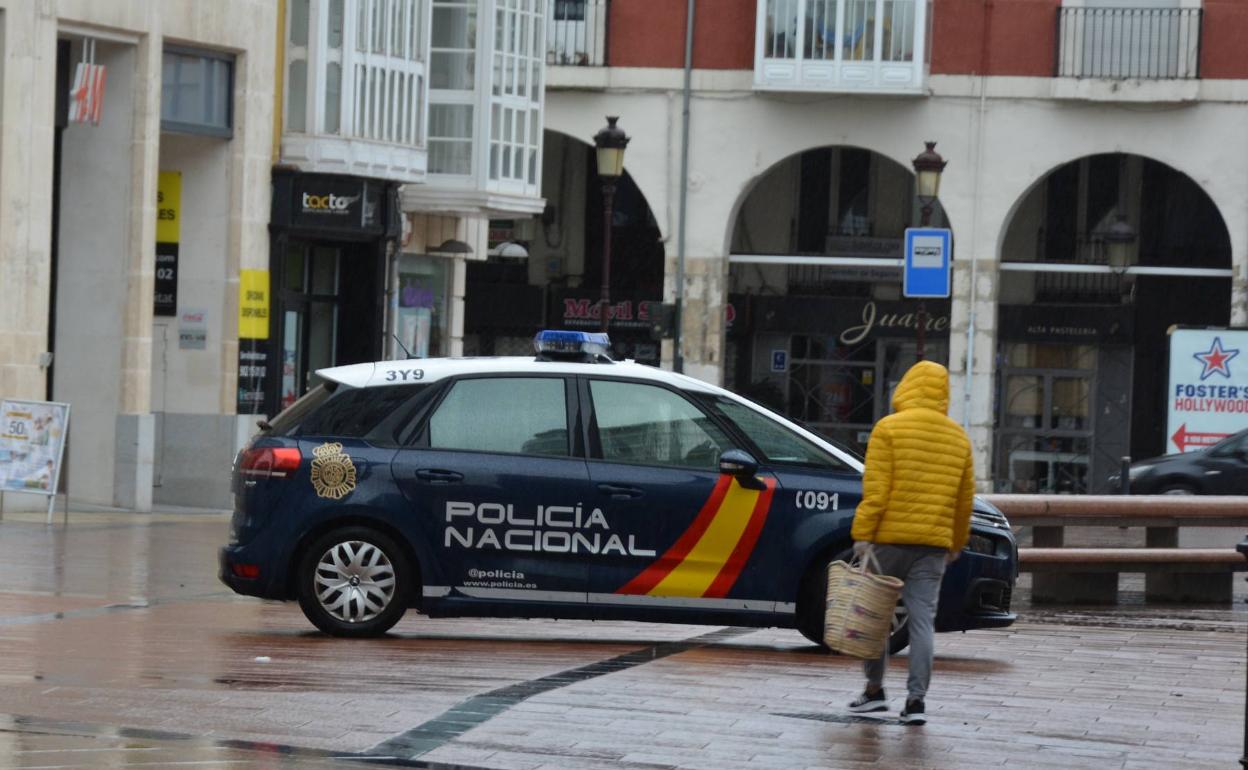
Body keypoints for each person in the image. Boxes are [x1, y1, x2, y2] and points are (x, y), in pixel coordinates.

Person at [846, 360, 974, 725]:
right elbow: (964, 501)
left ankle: (874, 692)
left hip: (888, 541)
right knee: (922, 622)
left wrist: (862, 535)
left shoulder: (888, 429)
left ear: (905, 386)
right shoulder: (958, 438)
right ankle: (916, 702)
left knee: (875, 618)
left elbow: (876, 493)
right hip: (933, 545)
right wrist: (956, 543)